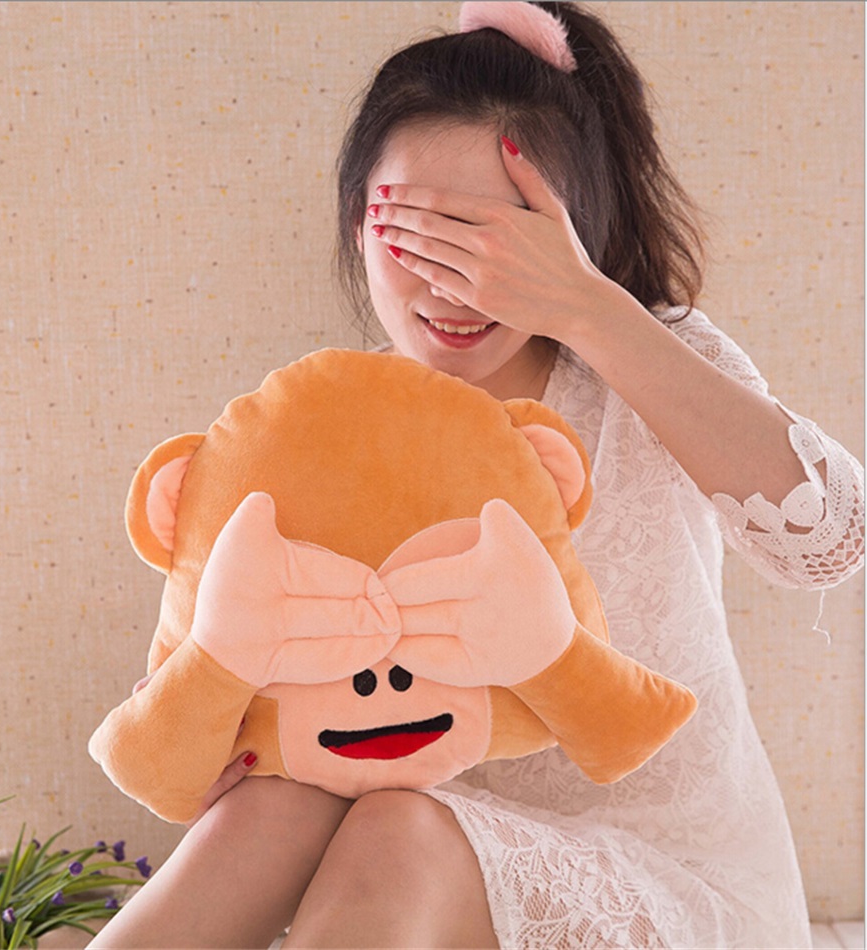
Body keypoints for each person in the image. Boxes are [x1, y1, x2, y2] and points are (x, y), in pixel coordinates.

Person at [89, 3, 864, 947]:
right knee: (277, 805)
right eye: (417, 236)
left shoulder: (642, 365)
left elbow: (832, 544)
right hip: (415, 847)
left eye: (496, 241)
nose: (454, 284)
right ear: (358, 225)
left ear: (568, 238)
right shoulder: (332, 421)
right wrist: (224, 736)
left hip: (675, 874)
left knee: (399, 829)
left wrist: (588, 308)